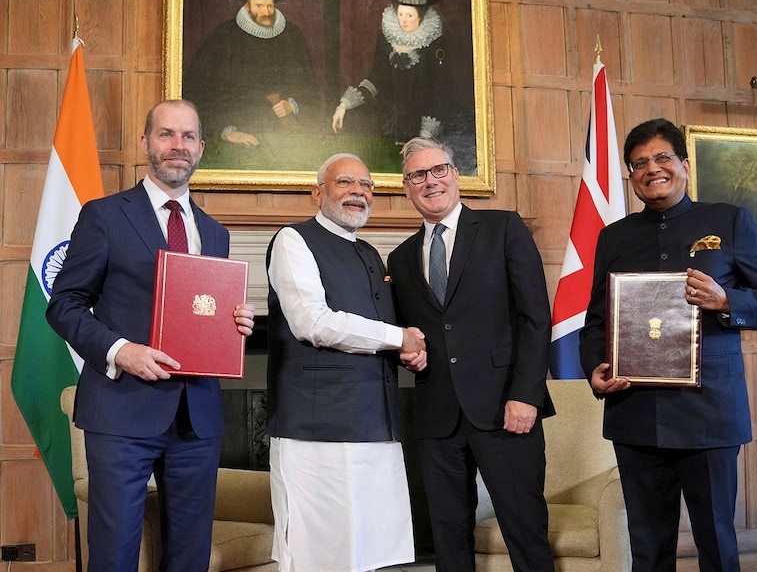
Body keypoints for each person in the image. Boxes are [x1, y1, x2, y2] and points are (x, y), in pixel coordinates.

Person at [46, 100, 256, 571]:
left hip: (197, 418)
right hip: (121, 411)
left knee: (189, 558)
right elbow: (63, 305)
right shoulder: (103, 215)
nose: (177, 146)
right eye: (166, 134)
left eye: (187, 137)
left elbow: (201, 313)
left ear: (201, 148)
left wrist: (235, 322)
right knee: (115, 555)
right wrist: (121, 351)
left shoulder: (215, 232)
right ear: (146, 144)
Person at [579, 118, 757, 572]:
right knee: (648, 547)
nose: (650, 169)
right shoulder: (613, 237)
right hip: (636, 412)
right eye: (638, 163)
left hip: (709, 413)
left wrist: (725, 299)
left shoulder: (729, 220)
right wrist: (595, 369)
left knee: (716, 541)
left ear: (685, 166)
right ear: (631, 176)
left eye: (661, 158)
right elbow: (597, 319)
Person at [387, 137, 556, 572]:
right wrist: (409, 354)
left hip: (505, 408)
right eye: (417, 176)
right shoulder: (400, 258)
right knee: (448, 539)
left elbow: (536, 318)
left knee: (525, 531)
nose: (430, 181)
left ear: (456, 176)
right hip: (437, 417)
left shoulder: (503, 228)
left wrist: (526, 396)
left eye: (438, 170)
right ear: (406, 188)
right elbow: (412, 334)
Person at [265, 153, 427, 571]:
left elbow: (381, 333)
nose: (359, 191)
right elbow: (312, 323)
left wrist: (410, 350)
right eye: (345, 183)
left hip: (377, 426)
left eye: (367, 185)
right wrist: (398, 338)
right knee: (317, 553)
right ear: (318, 193)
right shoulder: (293, 239)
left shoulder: (372, 254)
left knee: (370, 553)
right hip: (316, 430)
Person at [183, 0, 320, 144]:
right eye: (259, 6)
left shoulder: (292, 35)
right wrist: (226, 131)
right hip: (239, 129)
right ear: (247, 6)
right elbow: (200, 91)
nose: (266, 12)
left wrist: (292, 105)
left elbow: (309, 86)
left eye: (270, 6)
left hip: (287, 133)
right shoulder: (224, 35)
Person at [331, 0, 453, 142]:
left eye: (409, 15)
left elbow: (441, 92)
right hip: (389, 119)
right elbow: (376, 78)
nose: (403, 20)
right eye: (400, 14)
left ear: (421, 17)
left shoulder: (434, 44)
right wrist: (344, 105)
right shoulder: (387, 38)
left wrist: (425, 136)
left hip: (423, 123)